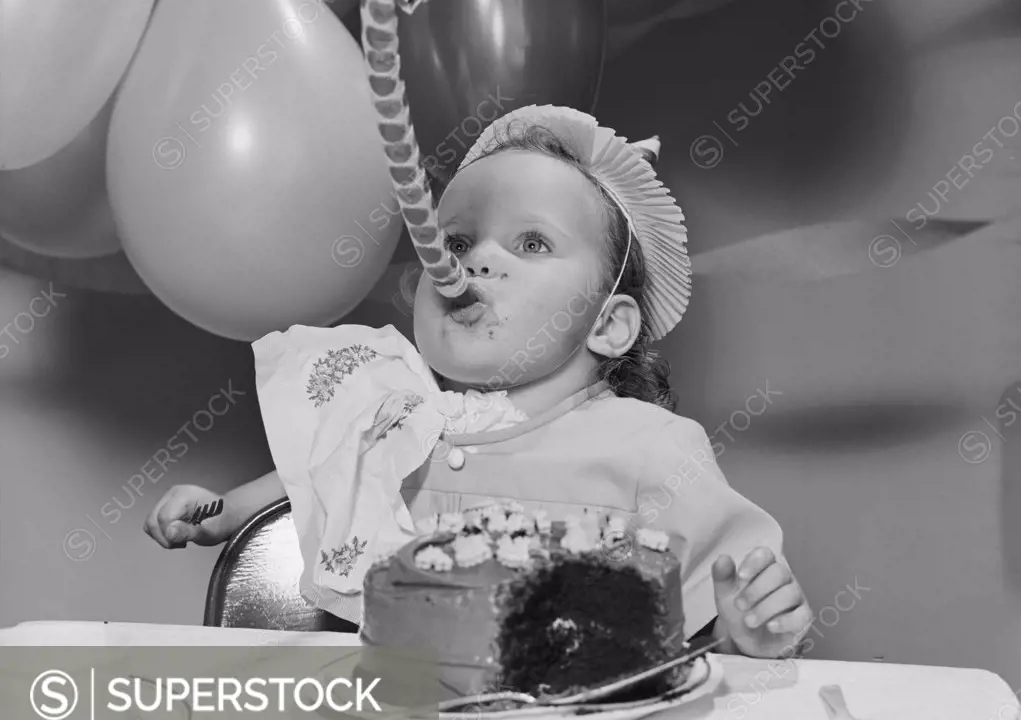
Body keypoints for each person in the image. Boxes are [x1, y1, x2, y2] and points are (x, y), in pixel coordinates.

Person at [145, 106, 812, 659]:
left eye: (530, 244)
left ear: (608, 325)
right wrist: (222, 512)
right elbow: (317, 475)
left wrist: (749, 630)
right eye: (458, 243)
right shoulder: (395, 416)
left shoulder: (649, 451)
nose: (478, 260)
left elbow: (730, 595)